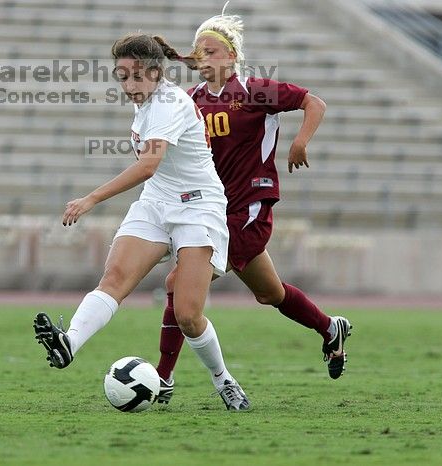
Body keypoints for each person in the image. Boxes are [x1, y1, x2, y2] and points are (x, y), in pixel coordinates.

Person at [33, 33, 250, 410]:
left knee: (187, 315)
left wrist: (92, 198)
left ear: (155, 73)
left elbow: (148, 165)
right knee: (115, 279)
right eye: (122, 77)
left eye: (136, 77)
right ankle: (69, 342)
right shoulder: (146, 102)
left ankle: (223, 379)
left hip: (198, 208)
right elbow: (156, 174)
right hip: (157, 203)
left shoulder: (168, 102)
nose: (128, 86)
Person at [152, 11, 352, 403]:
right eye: (200, 52)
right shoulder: (190, 101)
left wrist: (299, 142)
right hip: (211, 211)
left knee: (178, 283)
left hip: (249, 209)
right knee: (270, 294)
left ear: (231, 57)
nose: (204, 57)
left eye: (212, 50)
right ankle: (331, 329)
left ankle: (163, 377)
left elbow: (315, 103)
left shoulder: (254, 91)